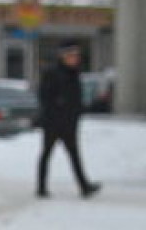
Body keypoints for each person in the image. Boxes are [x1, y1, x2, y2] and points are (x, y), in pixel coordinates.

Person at [36, 42, 101, 199]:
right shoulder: (53, 73)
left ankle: (84, 186)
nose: (75, 59)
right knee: (47, 153)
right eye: (72, 56)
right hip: (53, 122)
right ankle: (41, 187)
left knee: (74, 154)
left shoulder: (74, 74)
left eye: (77, 56)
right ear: (63, 57)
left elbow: (76, 97)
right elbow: (44, 95)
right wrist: (57, 105)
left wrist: (80, 110)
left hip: (70, 122)